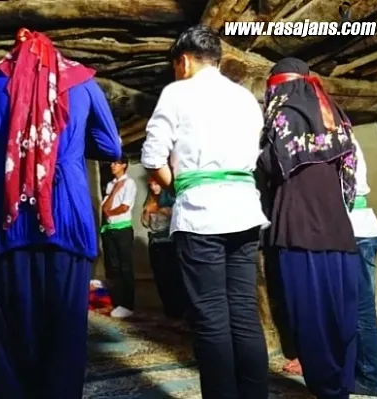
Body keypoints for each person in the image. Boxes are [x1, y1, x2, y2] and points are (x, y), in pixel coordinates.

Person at [0, 28, 122, 399]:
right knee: (64, 344)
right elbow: (112, 146)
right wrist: (64, 151)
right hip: (67, 222)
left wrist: (12, 146)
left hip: (4, 226)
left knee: (8, 346)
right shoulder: (83, 82)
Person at [140, 25, 269, 399]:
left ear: (182, 61)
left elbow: (152, 157)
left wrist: (181, 186)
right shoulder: (244, 97)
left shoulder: (177, 92)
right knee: (244, 313)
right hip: (245, 211)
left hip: (201, 214)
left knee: (211, 316)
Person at [256, 57, 359, 399]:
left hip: (297, 231)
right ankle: (340, 385)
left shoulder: (284, 115)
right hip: (340, 232)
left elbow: (272, 164)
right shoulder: (335, 114)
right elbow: (348, 176)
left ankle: (325, 389)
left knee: (310, 320)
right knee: (341, 317)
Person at [349, 138, 377, 396]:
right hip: (362, 228)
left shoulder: (332, 138)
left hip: (356, 231)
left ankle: (371, 378)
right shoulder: (344, 133)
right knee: (356, 311)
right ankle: (359, 370)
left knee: (361, 313)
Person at [141, 178, 185, 321]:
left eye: (156, 184)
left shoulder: (171, 198)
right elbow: (145, 223)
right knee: (160, 278)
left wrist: (158, 209)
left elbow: (175, 215)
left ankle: (179, 310)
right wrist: (148, 212)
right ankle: (168, 311)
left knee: (173, 277)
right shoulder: (149, 200)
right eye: (151, 185)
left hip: (169, 242)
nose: (154, 187)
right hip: (155, 242)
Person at [101, 156, 137, 318]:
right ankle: (117, 303)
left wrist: (109, 210)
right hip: (109, 229)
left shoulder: (129, 183)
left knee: (125, 267)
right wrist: (115, 191)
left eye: (116, 163)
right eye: (112, 162)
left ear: (124, 165)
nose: (112, 166)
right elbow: (105, 208)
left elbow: (124, 207)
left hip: (123, 229)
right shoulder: (110, 185)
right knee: (113, 268)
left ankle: (128, 305)